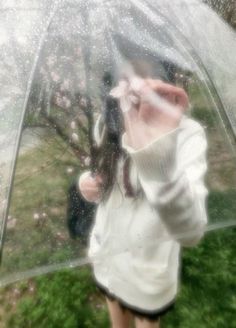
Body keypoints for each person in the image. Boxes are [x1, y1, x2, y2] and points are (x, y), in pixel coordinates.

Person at [78, 76, 208, 328]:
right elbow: (100, 176)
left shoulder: (187, 134)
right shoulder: (107, 122)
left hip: (147, 273)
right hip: (109, 259)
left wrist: (155, 157)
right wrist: (88, 184)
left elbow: (191, 231)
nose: (136, 83)